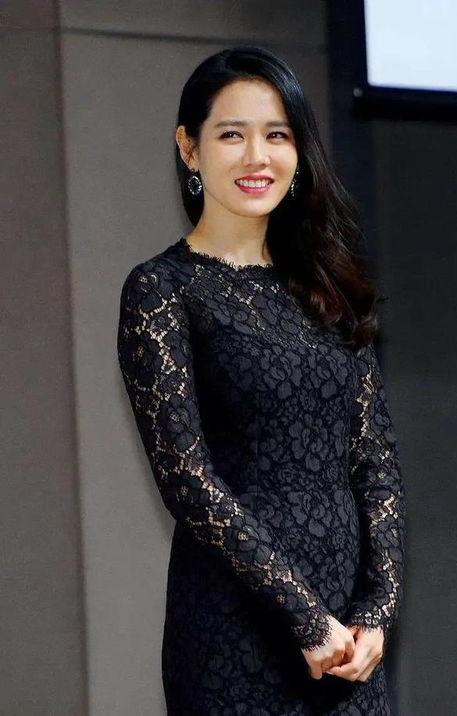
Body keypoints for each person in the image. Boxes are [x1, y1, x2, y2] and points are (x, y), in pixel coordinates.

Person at [117, 45, 406, 715]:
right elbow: (187, 479)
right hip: (235, 625)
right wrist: (305, 618)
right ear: (189, 149)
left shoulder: (330, 284)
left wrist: (377, 610)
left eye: (277, 134)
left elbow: (376, 462)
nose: (258, 156)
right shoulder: (162, 290)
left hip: (349, 639)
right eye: (231, 135)